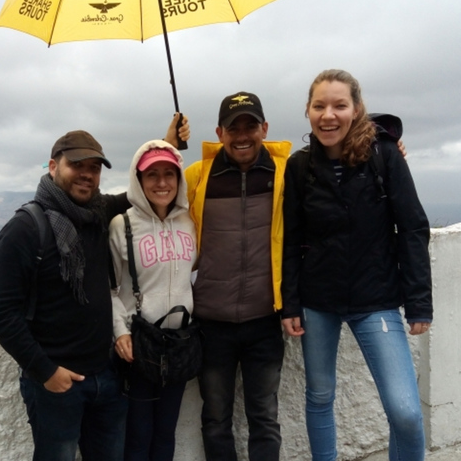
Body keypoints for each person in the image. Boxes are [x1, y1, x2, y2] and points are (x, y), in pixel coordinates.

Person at [0, 117, 188, 461]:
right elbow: (0, 313)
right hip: (56, 383)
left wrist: (166, 143)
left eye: (94, 167)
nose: (86, 174)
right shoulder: (25, 228)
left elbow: (143, 191)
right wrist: (46, 372)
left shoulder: (97, 212)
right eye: (76, 165)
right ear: (53, 166)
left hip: (107, 376)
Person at [281, 69, 432, 461]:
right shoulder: (299, 167)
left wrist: (418, 303)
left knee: (406, 413)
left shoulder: (384, 156)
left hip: (376, 299)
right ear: (308, 111)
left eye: (339, 105)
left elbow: (412, 226)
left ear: (357, 109)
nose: (328, 115)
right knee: (319, 396)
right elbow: (292, 238)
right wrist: (290, 303)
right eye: (319, 106)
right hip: (318, 301)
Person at [184, 92, 290, 461]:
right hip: (211, 322)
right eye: (233, 127)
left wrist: (387, 151)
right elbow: (152, 188)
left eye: (250, 125)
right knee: (215, 419)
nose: (242, 135)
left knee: (264, 418)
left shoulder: (285, 172)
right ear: (219, 132)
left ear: (264, 128)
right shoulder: (197, 176)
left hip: (265, 319)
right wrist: (169, 143)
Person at [110, 140, 197, 461]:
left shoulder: (190, 223)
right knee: (138, 434)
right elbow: (110, 287)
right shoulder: (123, 226)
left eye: (169, 174)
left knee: (165, 433)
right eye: (152, 175)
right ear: (139, 180)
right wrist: (119, 331)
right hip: (140, 346)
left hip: (178, 344)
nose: (162, 183)